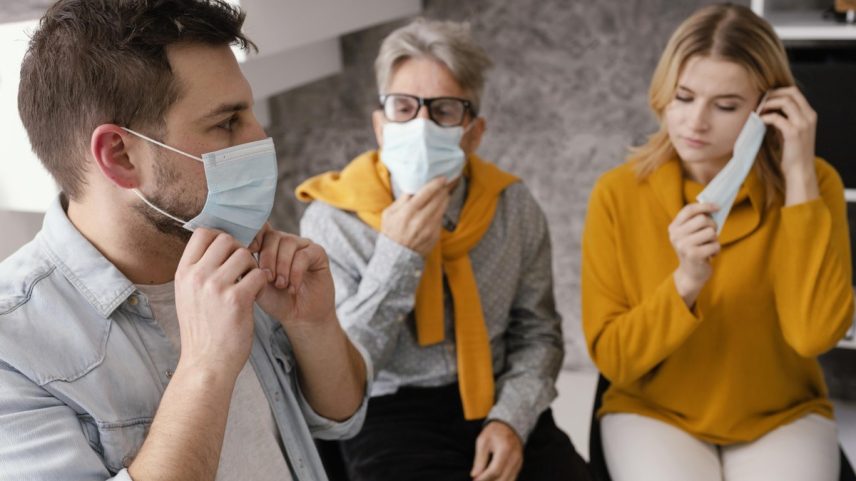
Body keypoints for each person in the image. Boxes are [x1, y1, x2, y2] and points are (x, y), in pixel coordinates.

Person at [0, 1, 370, 480]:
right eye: (227, 122)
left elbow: (343, 417)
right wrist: (206, 368)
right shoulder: (14, 347)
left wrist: (313, 326)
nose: (261, 137)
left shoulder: (230, 246)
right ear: (120, 155)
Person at [296, 18, 589, 481]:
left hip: (495, 394)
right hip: (389, 408)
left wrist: (511, 419)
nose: (421, 125)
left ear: (473, 132)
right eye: (404, 107)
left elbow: (538, 334)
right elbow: (342, 373)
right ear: (381, 125)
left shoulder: (513, 207)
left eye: (445, 110)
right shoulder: (333, 221)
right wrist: (398, 254)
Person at [581, 4, 854, 481]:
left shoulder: (815, 184)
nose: (696, 122)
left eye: (726, 106)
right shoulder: (617, 193)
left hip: (782, 414)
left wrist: (797, 176)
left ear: (766, 109)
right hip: (653, 411)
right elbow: (615, 359)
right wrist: (685, 282)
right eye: (684, 97)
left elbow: (815, 334)